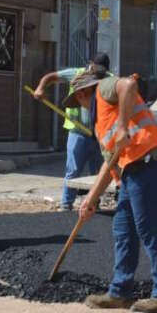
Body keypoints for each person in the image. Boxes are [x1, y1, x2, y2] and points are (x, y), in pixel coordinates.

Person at [63, 70, 157, 313]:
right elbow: (109, 164)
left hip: (149, 162)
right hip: (131, 171)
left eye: (79, 101)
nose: (80, 107)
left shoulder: (103, 90)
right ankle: (120, 292)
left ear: (85, 92)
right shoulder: (99, 123)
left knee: (149, 228)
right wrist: (90, 200)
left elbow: (128, 85)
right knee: (123, 228)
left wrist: (123, 126)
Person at [33, 53, 111, 212]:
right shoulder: (76, 74)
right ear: (91, 64)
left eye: (102, 73)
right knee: (73, 170)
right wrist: (40, 88)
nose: (99, 75)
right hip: (78, 132)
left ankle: (93, 205)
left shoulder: (109, 78)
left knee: (98, 173)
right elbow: (50, 77)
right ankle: (66, 205)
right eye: (97, 71)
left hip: (99, 134)